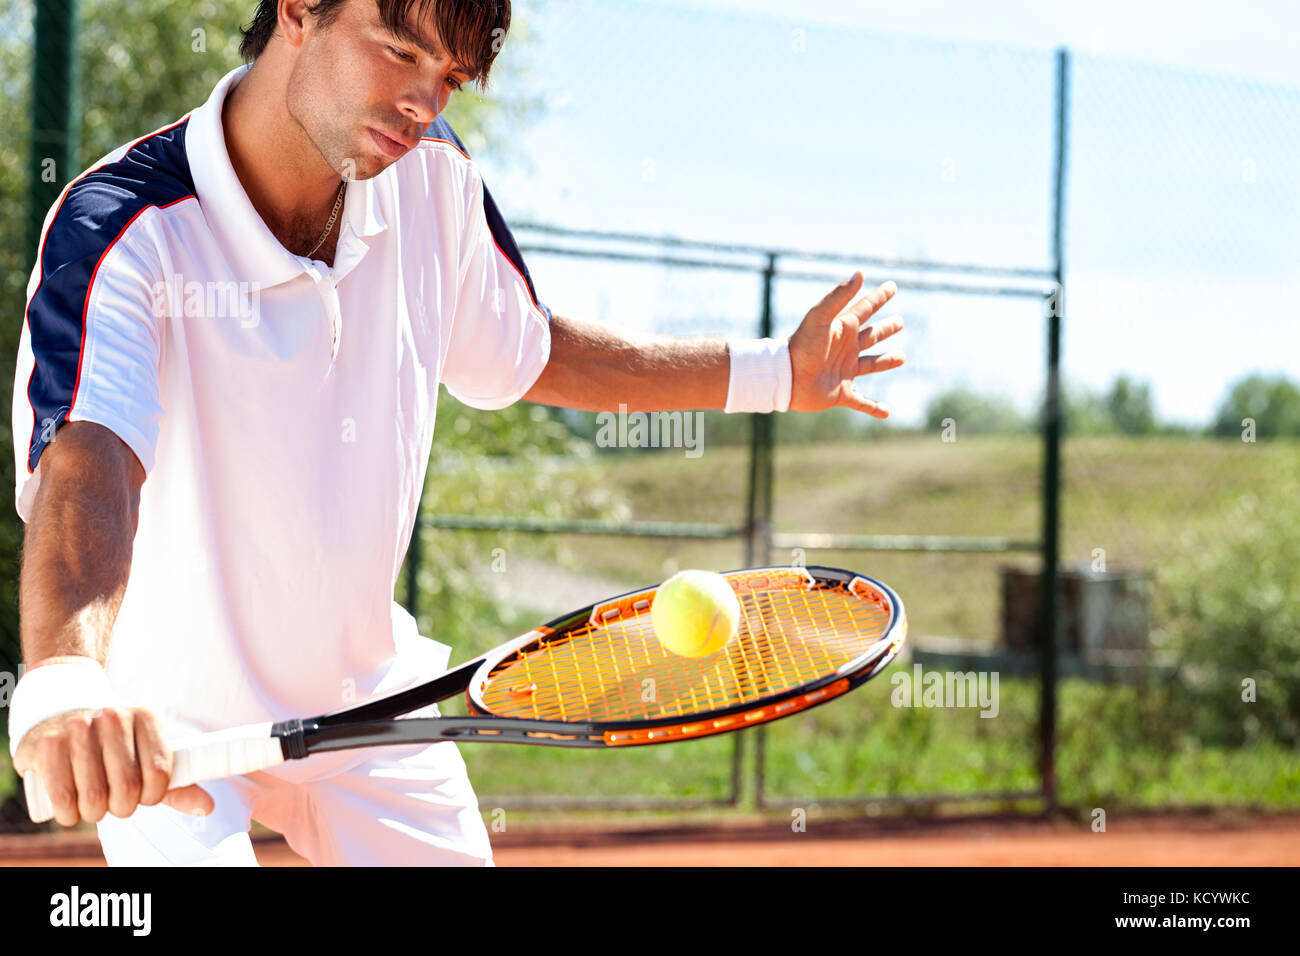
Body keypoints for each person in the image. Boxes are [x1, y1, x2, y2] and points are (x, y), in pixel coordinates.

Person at [7, 0, 904, 866]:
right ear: (297, 9)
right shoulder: (120, 227)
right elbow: (88, 465)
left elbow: (532, 348)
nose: (422, 102)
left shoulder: (432, 175)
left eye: (451, 76)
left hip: (371, 707)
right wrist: (66, 682)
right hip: (167, 732)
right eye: (400, 51)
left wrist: (777, 373)